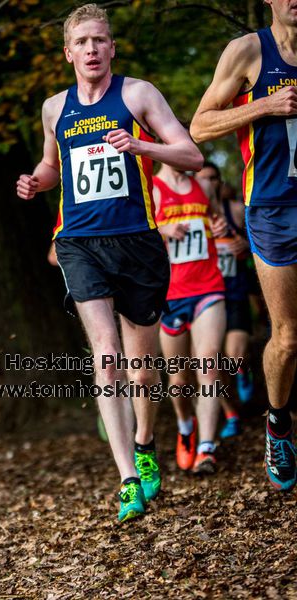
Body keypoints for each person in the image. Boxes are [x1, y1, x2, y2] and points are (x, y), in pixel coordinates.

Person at [16, 3, 203, 521]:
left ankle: (144, 443)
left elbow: (192, 155)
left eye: (100, 40)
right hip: (79, 241)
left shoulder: (138, 94)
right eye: (82, 42)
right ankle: (126, 477)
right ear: (68, 53)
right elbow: (53, 166)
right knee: (106, 354)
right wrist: (36, 181)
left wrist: (140, 145)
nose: (92, 49)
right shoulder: (55, 108)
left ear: (112, 47)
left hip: (137, 242)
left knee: (142, 373)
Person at [190, 0, 297, 491]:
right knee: (288, 337)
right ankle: (277, 423)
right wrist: (266, 105)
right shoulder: (249, 51)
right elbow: (200, 125)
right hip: (274, 208)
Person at [153, 163, 227, 474]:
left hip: (208, 287)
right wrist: (162, 230)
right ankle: (186, 426)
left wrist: (220, 227)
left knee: (208, 363)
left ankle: (207, 449)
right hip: (170, 295)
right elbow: (137, 232)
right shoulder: (153, 188)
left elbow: (216, 220)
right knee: (179, 379)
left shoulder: (204, 186)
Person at [196, 162, 254, 440]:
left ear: (219, 181)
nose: (209, 183)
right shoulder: (192, 215)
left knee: (233, 357)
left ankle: (244, 370)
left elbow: (259, 241)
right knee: (210, 364)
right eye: (203, 178)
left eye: (213, 178)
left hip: (234, 292)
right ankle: (231, 413)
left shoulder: (235, 211)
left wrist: (246, 245)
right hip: (205, 296)